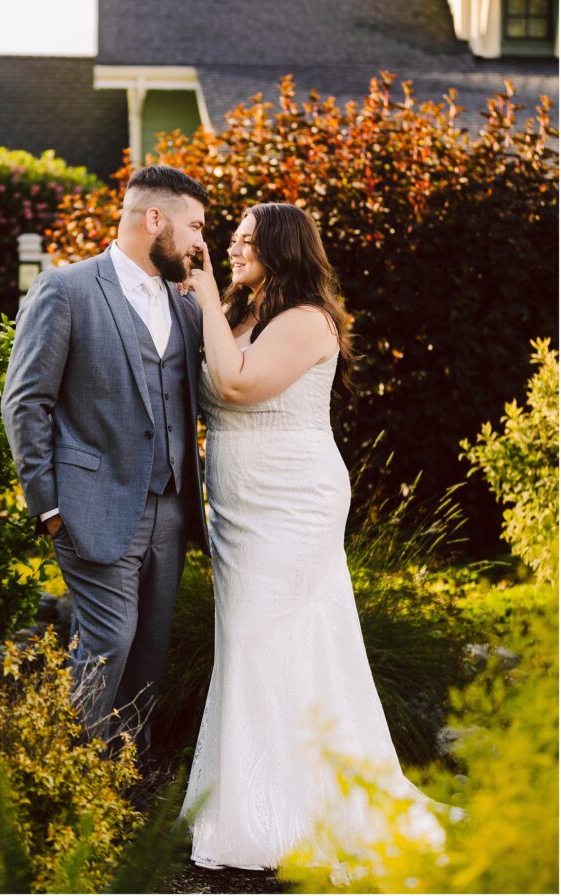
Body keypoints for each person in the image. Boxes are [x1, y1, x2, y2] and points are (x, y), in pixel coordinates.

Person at [180, 202, 449, 879]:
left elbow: (238, 385)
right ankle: (264, 799)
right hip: (237, 504)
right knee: (269, 641)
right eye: (232, 238)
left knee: (253, 636)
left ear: (282, 247)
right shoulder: (241, 315)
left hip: (294, 500)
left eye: (246, 240)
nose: (233, 248)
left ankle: (280, 816)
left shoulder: (307, 320)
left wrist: (207, 295)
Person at [1, 165, 210, 761]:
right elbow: (26, 400)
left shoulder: (187, 306)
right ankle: (70, 776)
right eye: (194, 226)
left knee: (148, 650)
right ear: (154, 220)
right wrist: (48, 507)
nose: (200, 242)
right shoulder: (65, 289)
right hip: (90, 506)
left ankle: (125, 774)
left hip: (170, 509)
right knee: (109, 639)